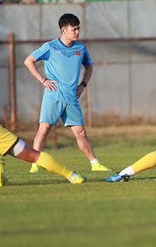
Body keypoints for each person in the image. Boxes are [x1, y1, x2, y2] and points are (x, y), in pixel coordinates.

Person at [24, 13, 109, 173]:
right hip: (54, 95)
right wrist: (43, 80)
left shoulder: (81, 48)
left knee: (81, 133)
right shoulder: (50, 46)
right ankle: (35, 163)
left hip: (71, 97)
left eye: (78, 29)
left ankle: (95, 164)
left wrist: (82, 85)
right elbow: (28, 61)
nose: (77, 32)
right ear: (64, 30)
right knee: (44, 128)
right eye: (74, 29)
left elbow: (89, 67)